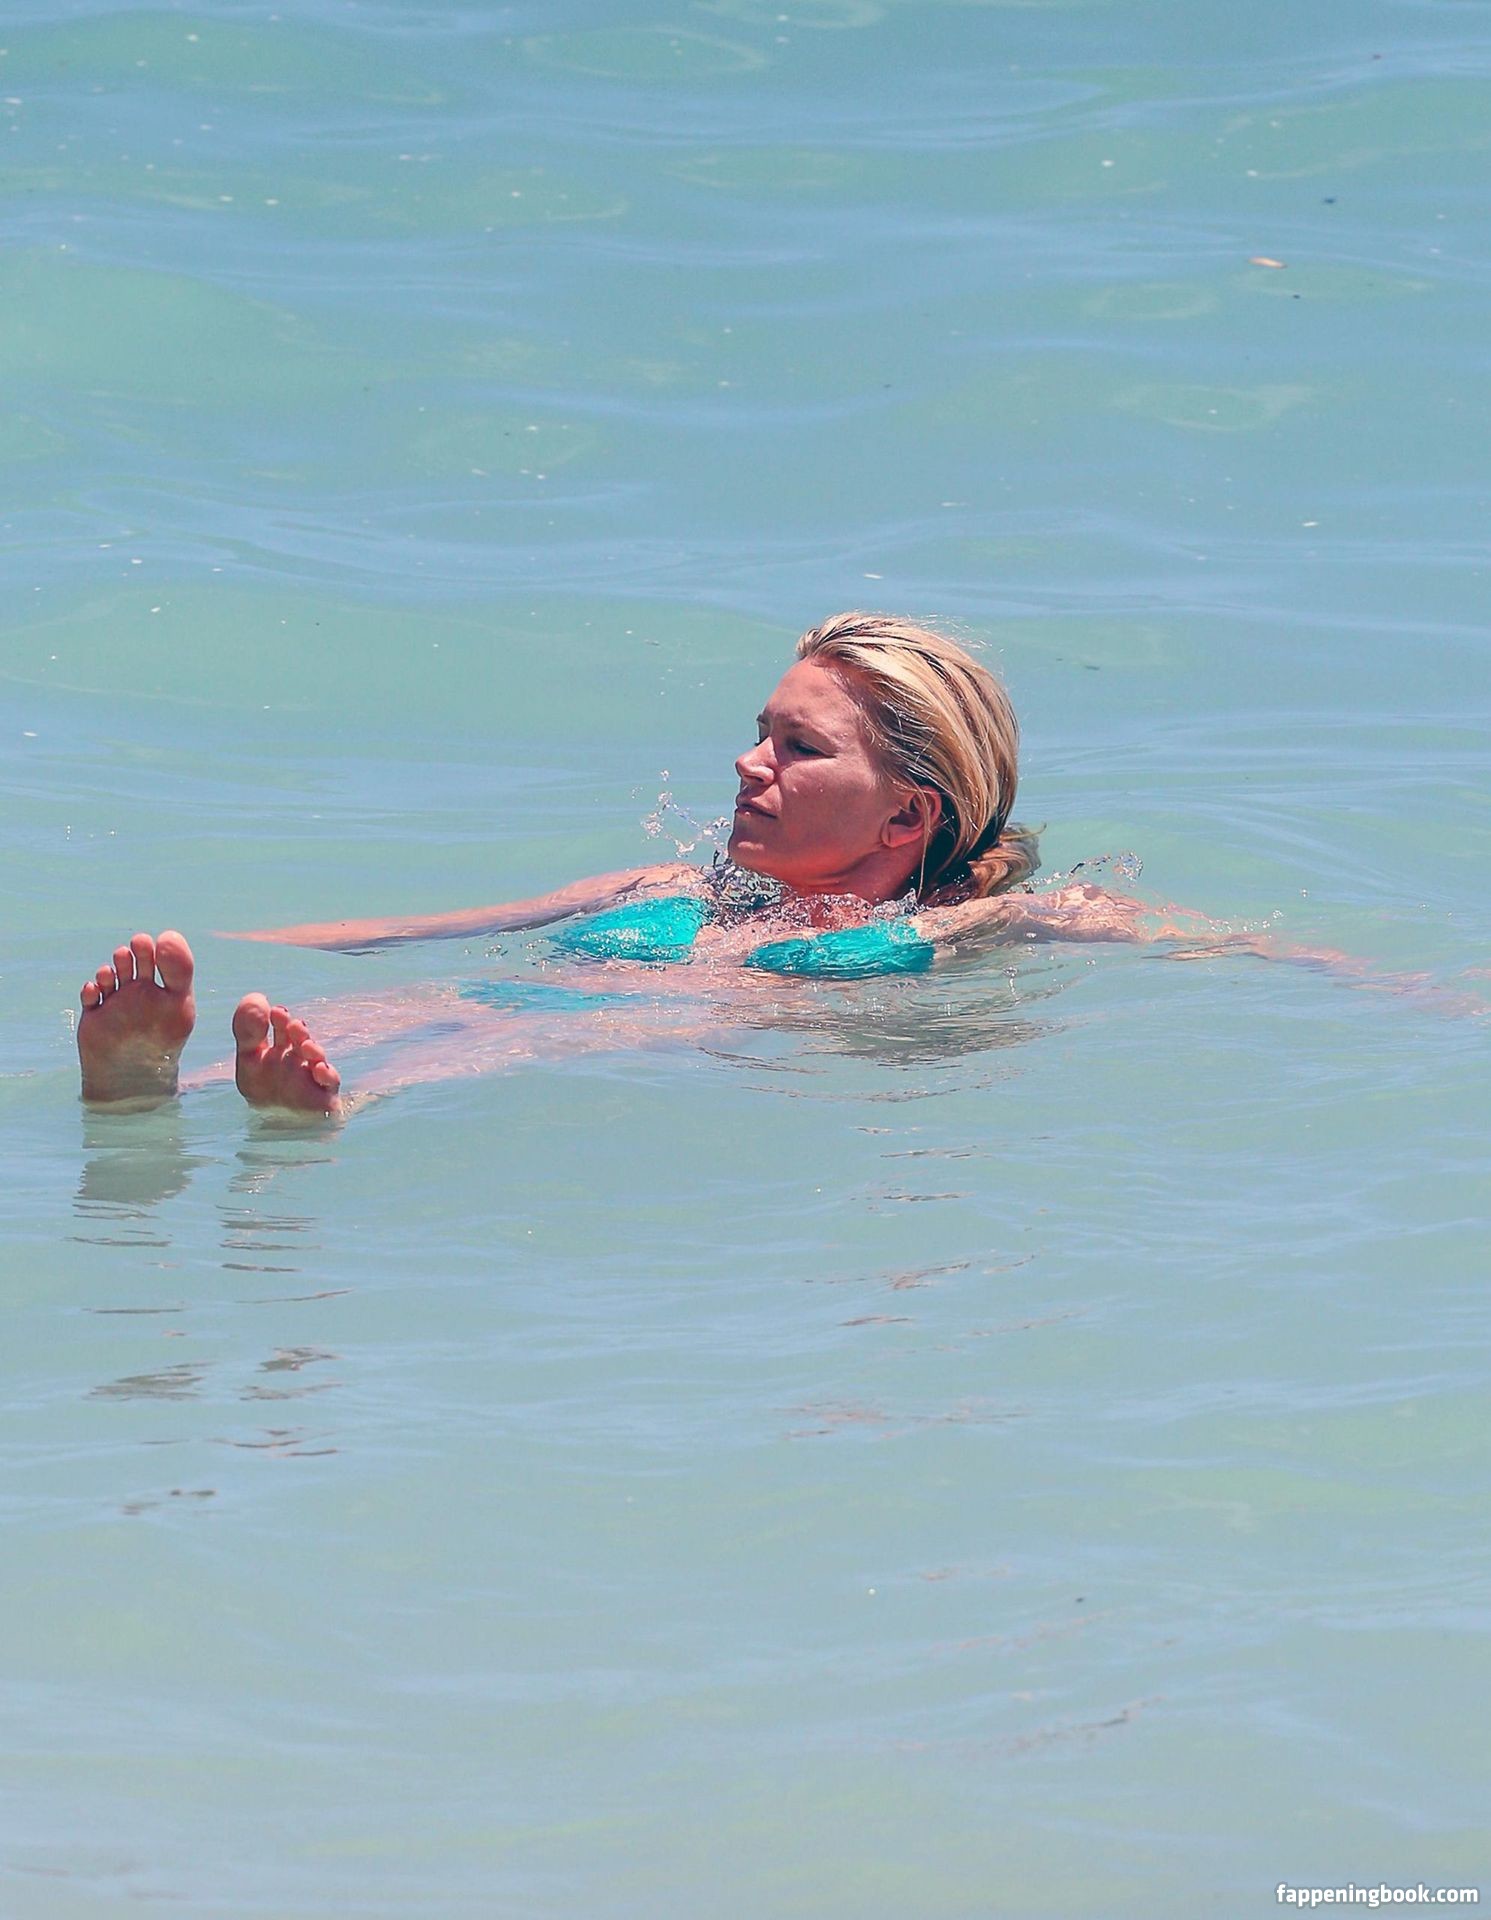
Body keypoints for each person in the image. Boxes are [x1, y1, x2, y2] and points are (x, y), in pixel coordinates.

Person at [68, 610, 1408, 1122]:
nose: (746, 763)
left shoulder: (981, 924)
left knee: (561, 1030)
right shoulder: (660, 889)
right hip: (538, 1000)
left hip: (657, 1039)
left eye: (797, 749)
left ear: (908, 818)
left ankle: (322, 1104)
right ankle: (156, 1087)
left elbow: (1239, 944)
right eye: (760, 732)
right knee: (434, 1003)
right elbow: (403, 932)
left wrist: (1426, 994)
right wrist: (220, 941)